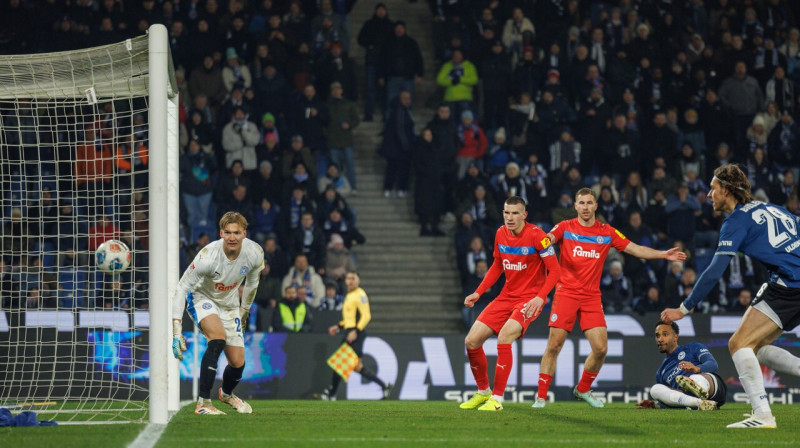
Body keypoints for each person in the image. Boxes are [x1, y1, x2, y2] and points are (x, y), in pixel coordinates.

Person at [662, 164, 800, 429]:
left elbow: (715, 271)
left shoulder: (735, 221)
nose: (708, 195)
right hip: (791, 282)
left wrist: (684, 308)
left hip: (787, 286)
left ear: (726, 190)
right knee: (754, 347)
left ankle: (762, 415)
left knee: (738, 344)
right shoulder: (767, 206)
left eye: (713, 189)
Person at [534, 188, 686, 408]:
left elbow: (635, 248)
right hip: (565, 293)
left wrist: (663, 254)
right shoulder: (565, 227)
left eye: (589, 203)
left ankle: (582, 389)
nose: (585, 207)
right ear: (575, 206)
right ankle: (540, 397)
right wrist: (542, 242)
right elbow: (547, 240)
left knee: (601, 349)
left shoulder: (607, 232)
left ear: (596, 206)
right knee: (554, 345)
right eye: (581, 203)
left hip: (591, 297)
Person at [460, 196, 561, 412]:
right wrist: (478, 292)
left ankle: (496, 399)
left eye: (515, 213)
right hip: (506, 296)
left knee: (504, 337)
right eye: (507, 212)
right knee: (471, 341)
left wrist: (540, 296)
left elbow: (556, 270)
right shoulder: (499, 233)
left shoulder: (538, 236)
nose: (510, 217)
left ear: (524, 215)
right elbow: (497, 265)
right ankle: (483, 392)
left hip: (529, 299)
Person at [170, 212, 264, 415]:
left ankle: (227, 394)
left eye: (237, 233)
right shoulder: (207, 257)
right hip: (202, 298)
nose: (232, 237)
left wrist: (244, 311)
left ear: (244, 234)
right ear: (221, 233)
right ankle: (203, 403)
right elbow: (181, 288)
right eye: (227, 232)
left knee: (238, 363)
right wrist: (176, 330)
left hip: (229, 303)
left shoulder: (255, 253)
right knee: (218, 338)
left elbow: (252, 283)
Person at [315, 271, 392, 400]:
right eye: (348, 278)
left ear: (358, 281)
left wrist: (355, 331)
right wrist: (339, 326)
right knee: (357, 367)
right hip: (351, 331)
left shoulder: (360, 295)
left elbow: (366, 316)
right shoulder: (349, 295)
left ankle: (331, 394)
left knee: (339, 363)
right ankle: (384, 385)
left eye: (353, 278)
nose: (350, 280)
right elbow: (350, 318)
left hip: (356, 333)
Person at [637, 321, 726, 410]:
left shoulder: (692, 347)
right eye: (657, 335)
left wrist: (697, 368)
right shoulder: (661, 372)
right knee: (655, 389)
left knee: (695, 378)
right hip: (686, 396)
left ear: (675, 337)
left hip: (713, 389)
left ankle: (699, 389)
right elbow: (671, 398)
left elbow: (713, 364)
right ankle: (700, 403)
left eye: (665, 334)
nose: (660, 339)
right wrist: (655, 405)